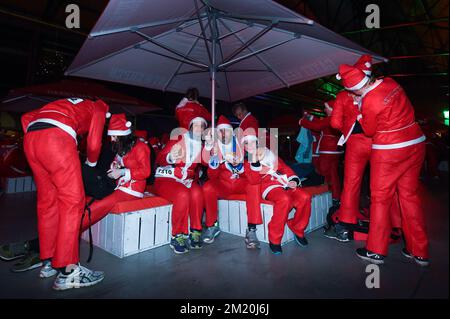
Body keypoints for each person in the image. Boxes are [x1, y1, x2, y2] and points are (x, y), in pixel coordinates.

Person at [337, 63, 429, 266]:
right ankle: (419, 250)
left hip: (390, 151)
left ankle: (376, 251)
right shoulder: (390, 81)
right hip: (415, 143)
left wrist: (360, 110)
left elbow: (369, 130)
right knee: (409, 196)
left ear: (357, 90)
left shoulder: (369, 101)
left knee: (380, 199)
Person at [20, 97, 109, 290]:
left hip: (31, 140)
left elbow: (26, 117)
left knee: (46, 204)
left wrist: (37, 137)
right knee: (73, 203)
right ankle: (69, 272)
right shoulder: (100, 107)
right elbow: (94, 144)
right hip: (57, 139)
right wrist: (90, 165)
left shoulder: (67, 103)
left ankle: (48, 262)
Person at [153, 88, 210, 254]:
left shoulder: (203, 145)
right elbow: (159, 160)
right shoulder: (178, 139)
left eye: (202, 126)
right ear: (190, 126)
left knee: (198, 192)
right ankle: (177, 235)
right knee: (182, 194)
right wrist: (170, 157)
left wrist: (213, 149)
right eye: (196, 125)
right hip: (166, 179)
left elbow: (207, 164)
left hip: (185, 180)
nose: (199, 128)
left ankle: (196, 231)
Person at [202, 115, 262, 248]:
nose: (224, 134)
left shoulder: (241, 144)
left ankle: (251, 230)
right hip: (224, 184)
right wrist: (214, 160)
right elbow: (212, 176)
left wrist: (239, 165)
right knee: (207, 187)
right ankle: (212, 226)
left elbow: (253, 172)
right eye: (220, 131)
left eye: (227, 130)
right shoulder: (214, 147)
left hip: (241, 182)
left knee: (254, 185)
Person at [245, 139, 312, 255]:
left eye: (252, 142)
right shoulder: (247, 162)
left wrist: (294, 180)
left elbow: (286, 169)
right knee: (284, 199)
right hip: (268, 187)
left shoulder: (270, 155)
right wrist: (255, 163)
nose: (250, 145)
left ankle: (297, 227)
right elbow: (253, 180)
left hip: (284, 183)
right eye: (246, 143)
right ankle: (275, 238)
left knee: (305, 196)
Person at [300, 103, 343, 205]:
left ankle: (325, 193)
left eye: (326, 108)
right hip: (336, 150)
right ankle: (335, 196)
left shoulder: (330, 118)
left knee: (322, 172)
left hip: (328, 149)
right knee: (333, 174)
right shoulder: (337, 118)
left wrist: (303, 122)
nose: (324, 110)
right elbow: (320, 123)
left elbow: (317, 125)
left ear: (332, 109)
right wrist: (309, 116)